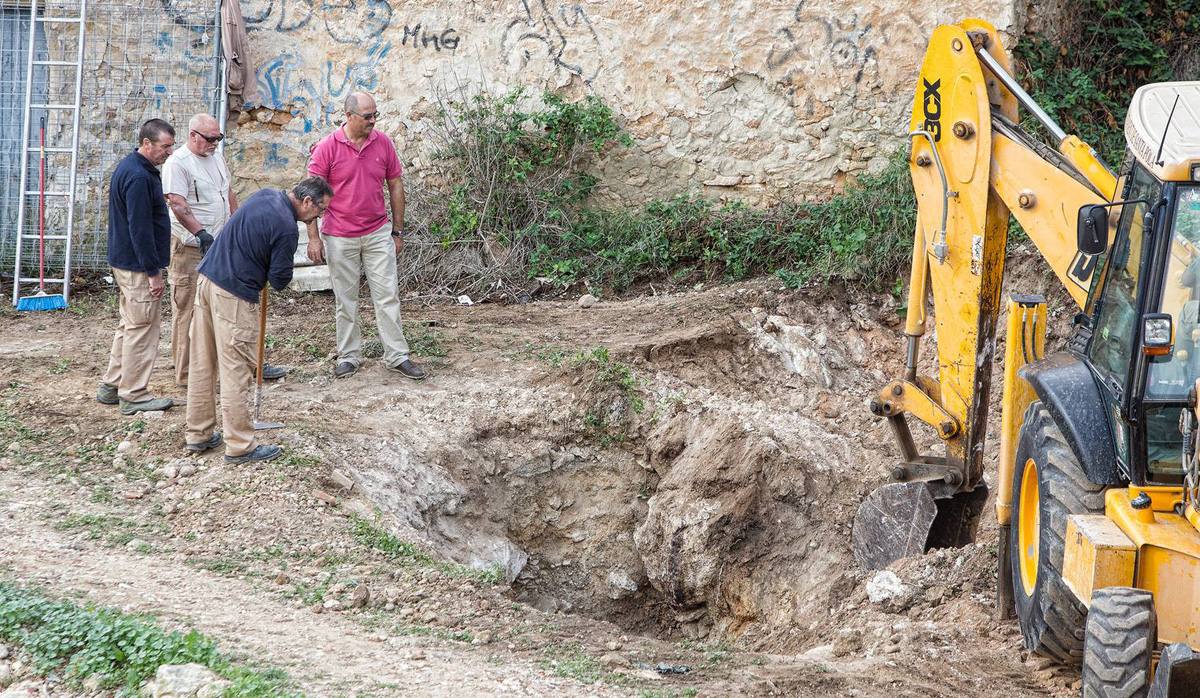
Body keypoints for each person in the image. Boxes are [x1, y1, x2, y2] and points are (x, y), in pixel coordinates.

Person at [184, 176, 333, 463]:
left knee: (203, 362)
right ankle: (240, 445)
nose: (320, 216)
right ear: (306, 201)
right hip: (234, 296)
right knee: (236, 369)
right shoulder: (287, 228)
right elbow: (279, 279)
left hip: (207, 280)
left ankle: (198, 434)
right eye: (320, 209)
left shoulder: (266, 194)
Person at [306, 91, 426, 381]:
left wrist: (397, 230)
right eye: (368, 116)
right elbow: (309, 194)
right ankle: (349, 356)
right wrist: (313, 237)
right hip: (339, 235)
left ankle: (397, 356)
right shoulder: (327, 148)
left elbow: (395, 186)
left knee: (387, 296)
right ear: (349, 116)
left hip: (377, 232)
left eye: (376, 115)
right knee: (345, 300)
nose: (373, 121)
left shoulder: (382, 143)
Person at [164, 114, 287, 387]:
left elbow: (227, 191)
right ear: (193, 135)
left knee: (231, 306)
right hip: (191, 246)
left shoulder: (216, 156)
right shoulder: (177, 163)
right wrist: (200, 232)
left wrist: (237, 224)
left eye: (218, 138)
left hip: (222, 244)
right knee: (187, 310)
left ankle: (248, 363)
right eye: (209, 139)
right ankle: (186, 375)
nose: (214, 144)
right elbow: (177, 203)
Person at [97, 118, 176, 415]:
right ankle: (134, 394)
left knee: (129, 324)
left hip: (125, 262)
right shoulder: (140, 177)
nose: (168, 153)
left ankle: (112, 384)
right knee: (142, 329)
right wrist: (153, 272)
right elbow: (140, 229)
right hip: (138, 267)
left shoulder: (131, 167)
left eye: (171, 146)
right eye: (164, 147)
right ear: (146, 143)